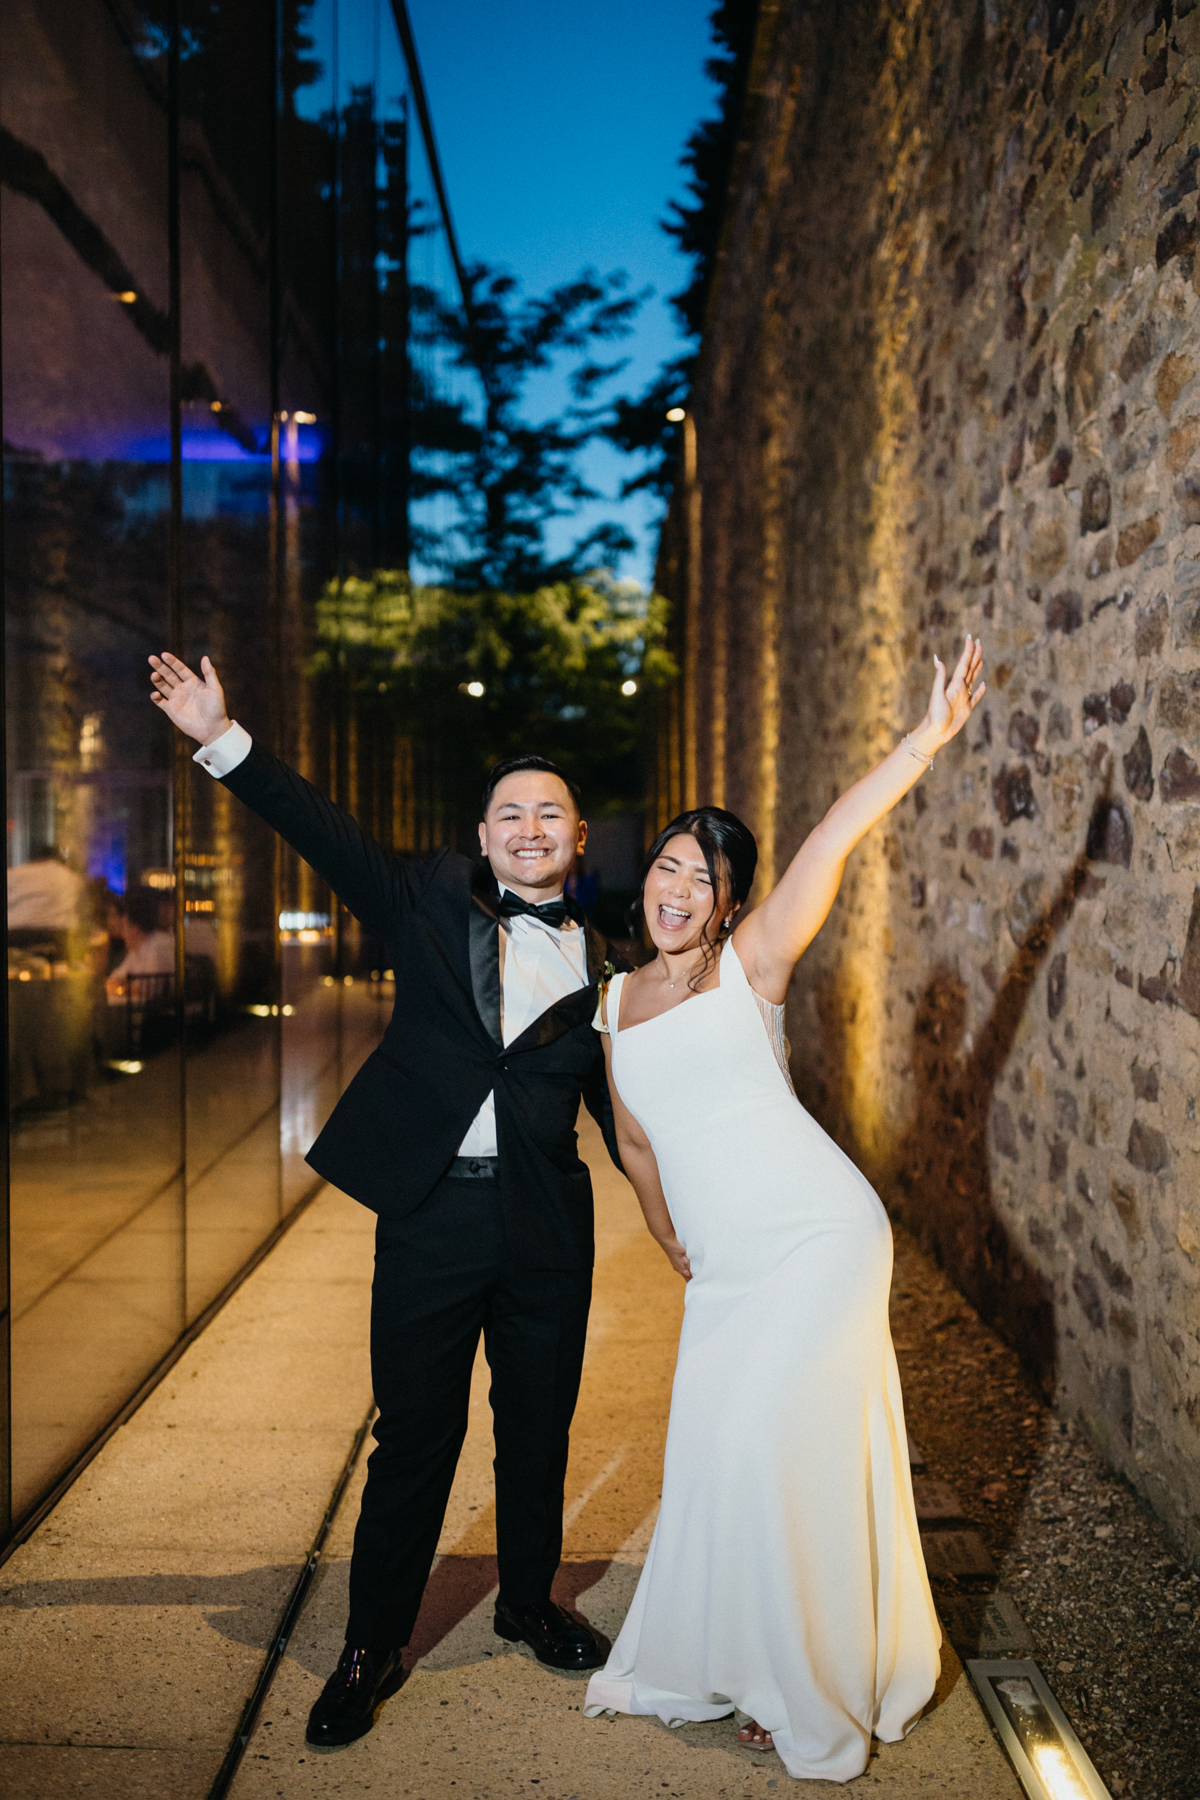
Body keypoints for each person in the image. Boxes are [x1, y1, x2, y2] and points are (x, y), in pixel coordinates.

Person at [147, 649, 625, 1748]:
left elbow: (629, 1113)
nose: (530, 827)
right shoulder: (422, 896)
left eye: (551, 813)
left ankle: (527, 1601)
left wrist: (687, 1208)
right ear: (485, 831)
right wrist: (225, 739)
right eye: (511, 812)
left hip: (548, 1223)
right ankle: (371, 1644)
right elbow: (321, 829)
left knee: (539, 1426)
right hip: (433, 1213)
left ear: (579, 838)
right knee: (416, 1433)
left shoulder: (608, 963)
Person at [583, 635, 987, 1782]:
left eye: (700, 879)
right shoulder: (616, 1003)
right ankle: (742, 1650)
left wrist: (923, 740)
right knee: (721, 1454)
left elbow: (831, 840)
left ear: (728, 907)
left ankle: (799, 1679)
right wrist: (670, 1241)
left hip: (817, 1239)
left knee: (777, 1449)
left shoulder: (751, 966)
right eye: (666, 865)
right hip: (726, 1267)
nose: (675, 887)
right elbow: (636, 1140)